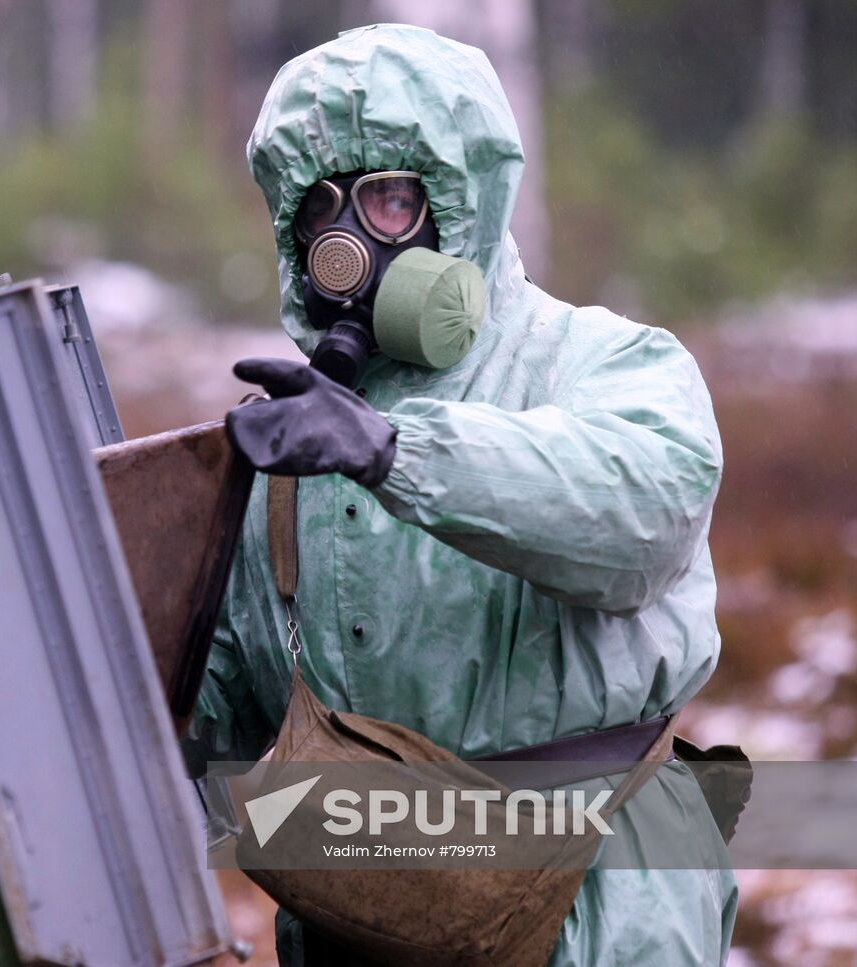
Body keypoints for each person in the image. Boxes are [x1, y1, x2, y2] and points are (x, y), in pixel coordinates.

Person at [183, 24, 738, 966]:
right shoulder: (295, 444)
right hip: (372, 913)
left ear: (464, 201)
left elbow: (639, 519)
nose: (349, 245)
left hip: (595, 902)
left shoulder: (601, 362)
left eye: (389, 201)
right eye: (319, 210)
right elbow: (223, 726)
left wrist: (397, 451)